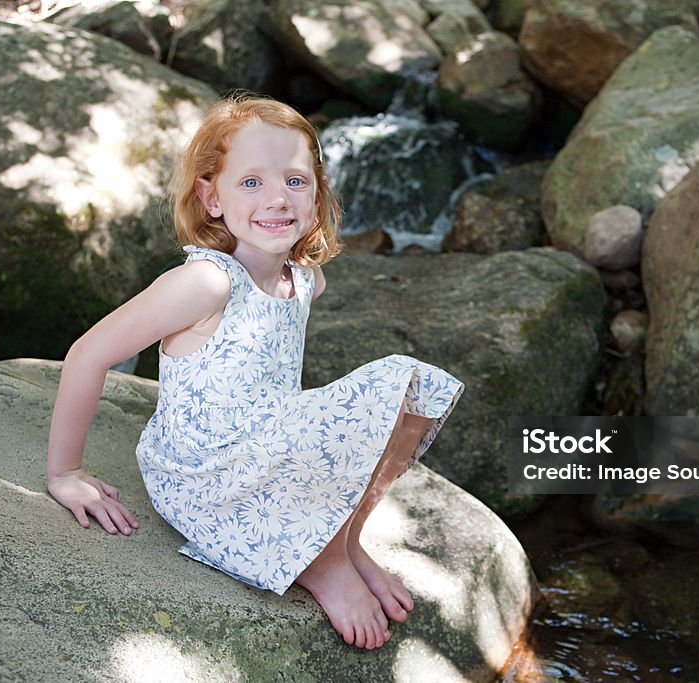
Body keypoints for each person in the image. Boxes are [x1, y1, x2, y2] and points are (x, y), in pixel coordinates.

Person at [46, 93, 464, 650]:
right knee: (394, 374)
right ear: (210, 196)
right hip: (207, 475)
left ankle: (342, 538)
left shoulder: (304, 280)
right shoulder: (206, 283)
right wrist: (65, 472)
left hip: (265, 451)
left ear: (317, 194)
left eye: (295, 180)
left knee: (413, 386)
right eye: (251, 183)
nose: (277, 198)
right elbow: (88, 353)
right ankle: (321, 565)